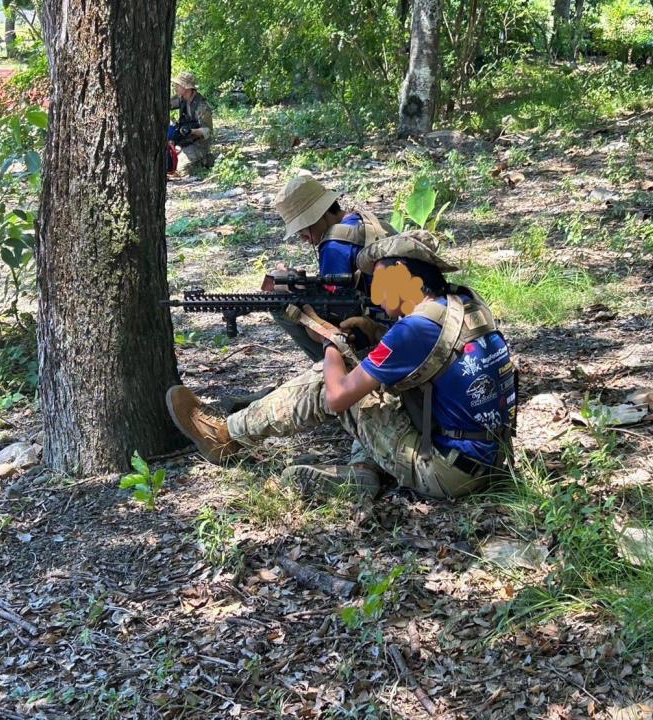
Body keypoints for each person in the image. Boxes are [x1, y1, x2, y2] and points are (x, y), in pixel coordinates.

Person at [165, 230, 517, 500]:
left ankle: (226, 435)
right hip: (488, 461)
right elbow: (432, 358)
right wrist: (375, 331)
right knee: (369, 383)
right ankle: (362, 470)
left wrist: (331, 341)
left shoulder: (415, 329)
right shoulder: (462, 302)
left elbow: (337, 398)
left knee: (329, 380)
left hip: (445, 473)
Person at [268, 174, 396, 361]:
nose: (303, 238)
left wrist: (294, 292)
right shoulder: (369, 222)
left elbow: (331, 314)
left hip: (379, 337)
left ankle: (336, 369)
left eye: (304, 229)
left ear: (319, 215)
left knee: (279, 301)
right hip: (400, 323)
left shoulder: (334, 244)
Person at [169, 72, 214, 175]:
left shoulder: (201, 106)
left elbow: (207, 131)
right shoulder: (181, 99)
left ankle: (204, 160)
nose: (175, 87)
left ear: (187, 88)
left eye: (178, 85)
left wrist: (190, 131)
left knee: (180, 169)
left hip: (198, 143)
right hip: (184, 140)